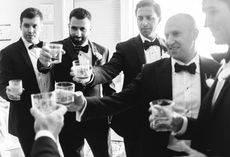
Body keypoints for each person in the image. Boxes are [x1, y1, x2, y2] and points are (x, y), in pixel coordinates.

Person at [68, 13, 220, 157]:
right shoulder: (151, 71)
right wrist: (84, 103)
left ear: (195, 34)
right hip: (159, 151)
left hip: (204, 151)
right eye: (167, 35)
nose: (169, 41)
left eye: (176, 34)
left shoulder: (216, 70)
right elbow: (121, 100)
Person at [73, 0, 167, 156]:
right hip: (134, 119)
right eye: (140, 18)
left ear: (159, 19)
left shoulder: (169, 45)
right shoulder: (126, 47)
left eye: (149, 18)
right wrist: (91, 75)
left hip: (163, 118)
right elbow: (108, 70)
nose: (144, 23)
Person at [150, 0, 230, 156]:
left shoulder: (214, 66)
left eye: (213, 11)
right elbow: (216, 127)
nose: (206, 23)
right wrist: (179, 122)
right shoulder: (226, 65)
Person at [38, 8, 114, 157]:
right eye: (74, 28)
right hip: (68, 118)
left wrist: (110, 115)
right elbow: (44, 67)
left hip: (97, 116)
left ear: (90, 29)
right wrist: (44, 62)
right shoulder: (55, 48)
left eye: (82, 29)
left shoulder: (103, 51)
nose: (78, 33)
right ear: (68, 26)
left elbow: (108, 85)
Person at [0, 8, 53, 156]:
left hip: (51, 111)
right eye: (26, 25)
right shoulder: (8, 53)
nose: (30, 30)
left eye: (34, 26)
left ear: (41, 26)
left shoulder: (51, 49)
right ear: (20, 26)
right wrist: (8, 93)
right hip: (25, 117)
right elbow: (2, 84)